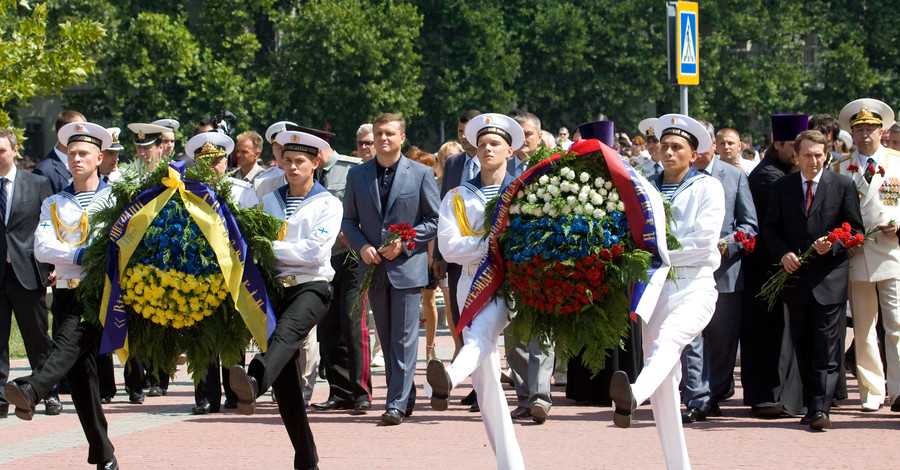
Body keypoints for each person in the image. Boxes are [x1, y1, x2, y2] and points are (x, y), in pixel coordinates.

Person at [609, 113, 725, 470]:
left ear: (694, 154)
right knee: (663, 382)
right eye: (666, 146)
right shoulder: (645, 187)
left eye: (679, 147)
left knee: (669, 342)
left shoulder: (708, 187)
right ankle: (678, 464)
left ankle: (632, 394)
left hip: (695, 285)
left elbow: (703, 244)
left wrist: (654, 251)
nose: (669, 152)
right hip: (654, 288)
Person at [4, 121, 118, 469]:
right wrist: (80, 255)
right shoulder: (55, 200)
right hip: (67, 291)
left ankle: (30, 389)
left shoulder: (114, 200)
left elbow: (114, 245)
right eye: (71, 153)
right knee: (83, 382)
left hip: (100, 293)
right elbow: (41, 247)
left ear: (100, 157)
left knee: (66, 343)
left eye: (83, 153)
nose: (76, 159)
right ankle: (104, 454)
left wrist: (69, 253)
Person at [229, 130, 341, 470]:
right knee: (288, 382)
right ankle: (306, 456)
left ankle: (253, 381)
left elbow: (315, 252)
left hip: (312, 286)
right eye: (287, 161)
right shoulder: (268, 202)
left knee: (287, 332)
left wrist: (271, 249)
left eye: (300, 162)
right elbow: (254, 245)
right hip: (276, 289)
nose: (292, 167)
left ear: (315, 163)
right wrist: (276, 251)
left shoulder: (328, 203)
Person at [427, 113, 525, 470]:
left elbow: (522, 243)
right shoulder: (457, 194)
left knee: (482, 335)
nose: (487, 149)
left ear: (509, 150)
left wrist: (482, 246)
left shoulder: (524, 191)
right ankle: (510, 463)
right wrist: (492, 244)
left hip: (506, 282)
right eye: (482, 143)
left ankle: (449, 377)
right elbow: (450, 247)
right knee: (486, 382)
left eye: (495, 143)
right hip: (467, 281)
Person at [341, 113, 440, 425]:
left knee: (404, 337)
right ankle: (406, 393)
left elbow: (434, 220)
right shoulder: (358, 176)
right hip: (374, 268)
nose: (383, 139)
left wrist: (405, 242)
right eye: (378, 133)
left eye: (389, 134)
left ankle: (394, 403)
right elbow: (348, 221)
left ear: (402, 138)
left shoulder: (422, 174)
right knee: (385, 334)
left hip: (407, 267)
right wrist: (362, 246)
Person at [764, 130, 864, 429]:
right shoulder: (782, 187)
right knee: (803, 343)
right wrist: (783, 254)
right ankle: (811, 404)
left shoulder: (842, 185)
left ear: (827, 154)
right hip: (796, 279)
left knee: (826, 345)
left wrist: (832, 245)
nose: (813, 160)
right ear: (796, 155)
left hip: (829, 278)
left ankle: (821, 409)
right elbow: (770, 229)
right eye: (807, 155)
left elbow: (856, 232)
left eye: (819, 155)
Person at [681, 122, 758, 423]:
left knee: (723, 341)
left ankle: (714, 393)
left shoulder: (735, 176)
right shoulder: (679, 178)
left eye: (702, 142)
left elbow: (749, 225)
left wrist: (727, 244)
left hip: (725, 272)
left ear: (713, 144)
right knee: (692, 337)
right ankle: (696, 398)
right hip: (688, 272)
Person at [834, 99, 900, 413]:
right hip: (856, 255)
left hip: (891, 252)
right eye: (859, 129)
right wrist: (843, 238)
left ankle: (898, 390)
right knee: (863, 327)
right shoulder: (839, 167)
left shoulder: (897, 162)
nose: (865, 135)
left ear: (881, 130)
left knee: (897, 324)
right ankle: (871, 391)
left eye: (870, 128)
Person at [184, 131, 257, 414]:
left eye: (217, 160)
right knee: (199, 334)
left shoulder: (241, 190)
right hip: (198, 271)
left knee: (231, 332)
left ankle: (233, 392)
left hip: (233, 270)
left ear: (227, 161)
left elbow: (250, 230)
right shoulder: (186, 189)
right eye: (205, 161)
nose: (211, 166)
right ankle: (205, 395)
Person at [742, 114, 809, 418]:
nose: (799, 155)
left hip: (782, 267)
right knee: (768, 336)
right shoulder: (768, 177)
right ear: (778, 143)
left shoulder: (783, 171)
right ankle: (768, 397)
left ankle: (783, 396)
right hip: (766, 268)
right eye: (795, 148)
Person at [310, 130, 374, 414]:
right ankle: (339, 391)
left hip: (350, 258)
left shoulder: (353, 169)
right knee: (329, 327)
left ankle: (361, 392)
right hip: (322, 260)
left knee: (352, 324)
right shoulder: (306, 175)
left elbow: (369, 207)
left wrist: (357, 231)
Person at [0, 128, 57, 419]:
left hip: (28, 272)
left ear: (14, 151)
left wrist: (53, 265)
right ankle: (1, 398)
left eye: (1, 150)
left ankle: (46, 392)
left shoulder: (36, 184)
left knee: (37, 337)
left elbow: (51, 226)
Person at [506, 111, 554, 424]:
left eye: (529, 134)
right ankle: (524, 396)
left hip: (545, 261)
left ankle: (540, 398)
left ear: (539, 136)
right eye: (518, 136)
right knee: (513, 333)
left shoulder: (556, 169)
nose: (524, 142)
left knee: (542, 332)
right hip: (510, 261)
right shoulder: (503, 172)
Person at [33, 110, 86, 193]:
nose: (82, 138)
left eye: (84, 134)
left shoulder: (88, 165)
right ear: (61, 134)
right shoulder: (44, 171)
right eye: (77, 134)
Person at [253, 120, 298, 198]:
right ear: (273, 150)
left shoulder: (307, 176)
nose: (284, 152)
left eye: (287, 148)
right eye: (279, 148)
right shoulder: (261, 182)